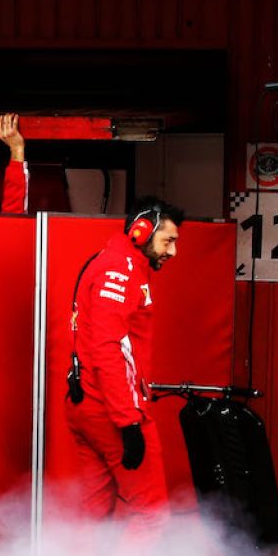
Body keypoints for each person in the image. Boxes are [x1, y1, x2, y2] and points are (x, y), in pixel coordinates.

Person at [65, 195, 183, 536]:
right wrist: (128, 422)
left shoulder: (118, 264)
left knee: (96, 513)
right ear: (141, 231)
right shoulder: (120, 269)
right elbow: (108, 350)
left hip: (87, 403)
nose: (172, 252)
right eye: (168, 241)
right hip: (111, 409)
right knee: (151, 517)